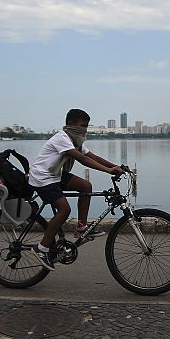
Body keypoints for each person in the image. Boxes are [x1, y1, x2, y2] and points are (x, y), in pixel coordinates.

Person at [29, 108, 123, 271]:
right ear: (71, 124)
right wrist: (108, 171)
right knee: (64, 209)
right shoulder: (62, 138)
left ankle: (81, 227)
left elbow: (92, 156)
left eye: (87, 126)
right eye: (82, 125)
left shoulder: (74, 140)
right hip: (42, 178)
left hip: (56, 175)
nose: (85, 130)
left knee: (85, 186)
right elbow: (82, 159)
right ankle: (42, 248)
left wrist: (115, 166)